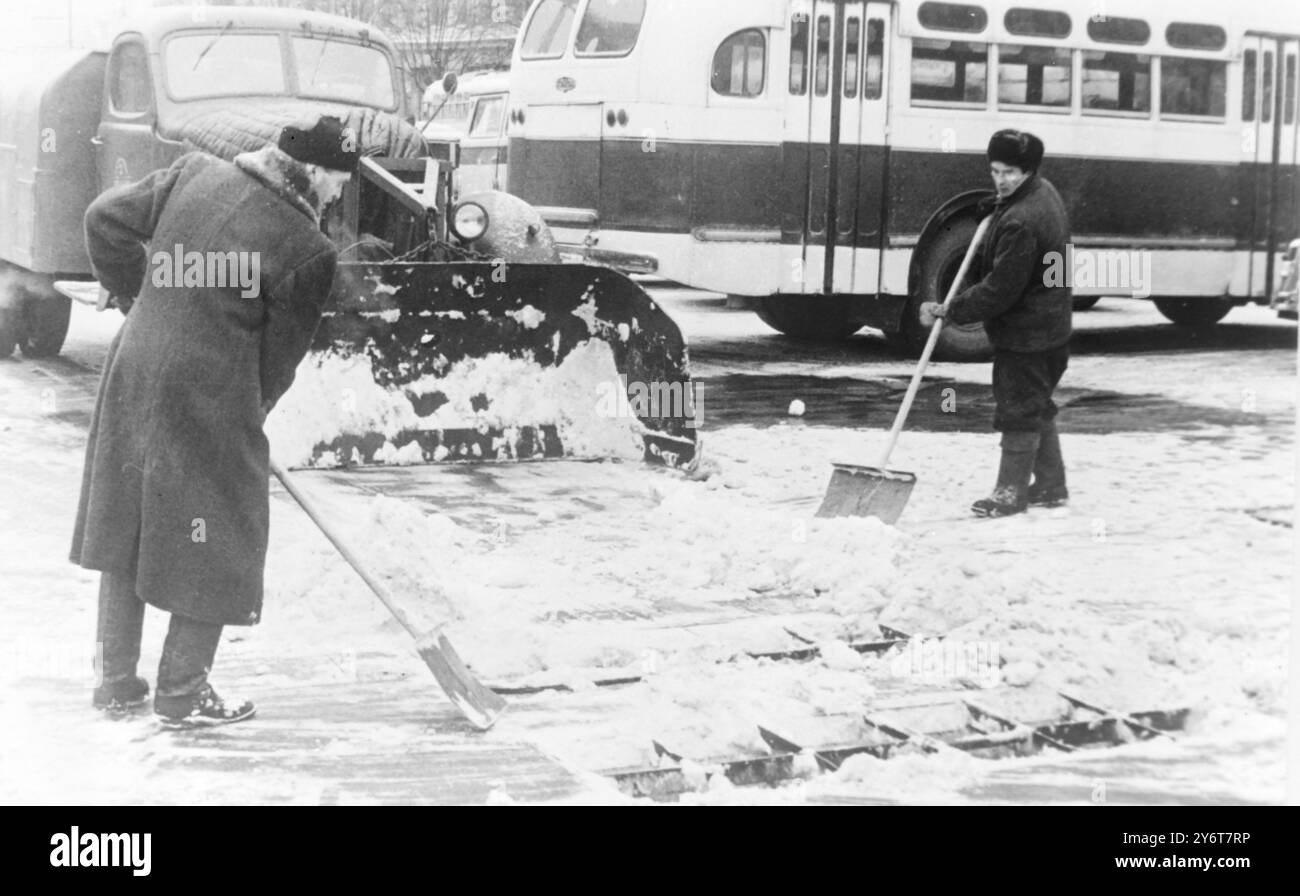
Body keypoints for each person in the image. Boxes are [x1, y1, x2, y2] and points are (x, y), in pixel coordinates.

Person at [71, 116, 359, 726]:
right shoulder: (308, 251)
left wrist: (139, 299)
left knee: (131, 517)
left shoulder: (193, 174)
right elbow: (276, 365)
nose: (337, 194)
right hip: (210, 392)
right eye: (337, 180)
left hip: (134, 369)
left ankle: (116, 681)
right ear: (311, 172)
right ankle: (182, 693)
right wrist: (242, 415)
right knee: (224, 531)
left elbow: (104, 219)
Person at [920, 129, 1072, 517]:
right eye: (995, 171)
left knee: (1018, 410)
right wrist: (996, 206)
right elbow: (1020, 212)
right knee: (1035, 405)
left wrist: (949, 310)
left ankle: (1009, 493)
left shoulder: (1021, 221)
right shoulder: (1043, 193)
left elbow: (999, 290)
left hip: (1028, 335)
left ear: (1028, 171)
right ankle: (1052, 486)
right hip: (1052, 328)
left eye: (1010, 173)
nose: (1001, 180)